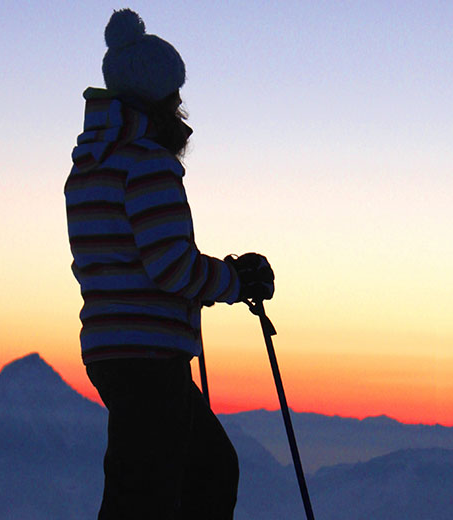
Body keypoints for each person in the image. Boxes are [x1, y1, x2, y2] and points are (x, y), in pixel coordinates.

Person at [64, 9, 275, 520]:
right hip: (150, 355)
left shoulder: (91, 164)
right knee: (170, 488)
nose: (182, 108)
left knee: (175, 478)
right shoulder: (147, 162)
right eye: (175, 96)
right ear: (156, 100)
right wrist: (236, 279)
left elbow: (136, 260)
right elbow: (172, 269)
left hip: (113, 349)